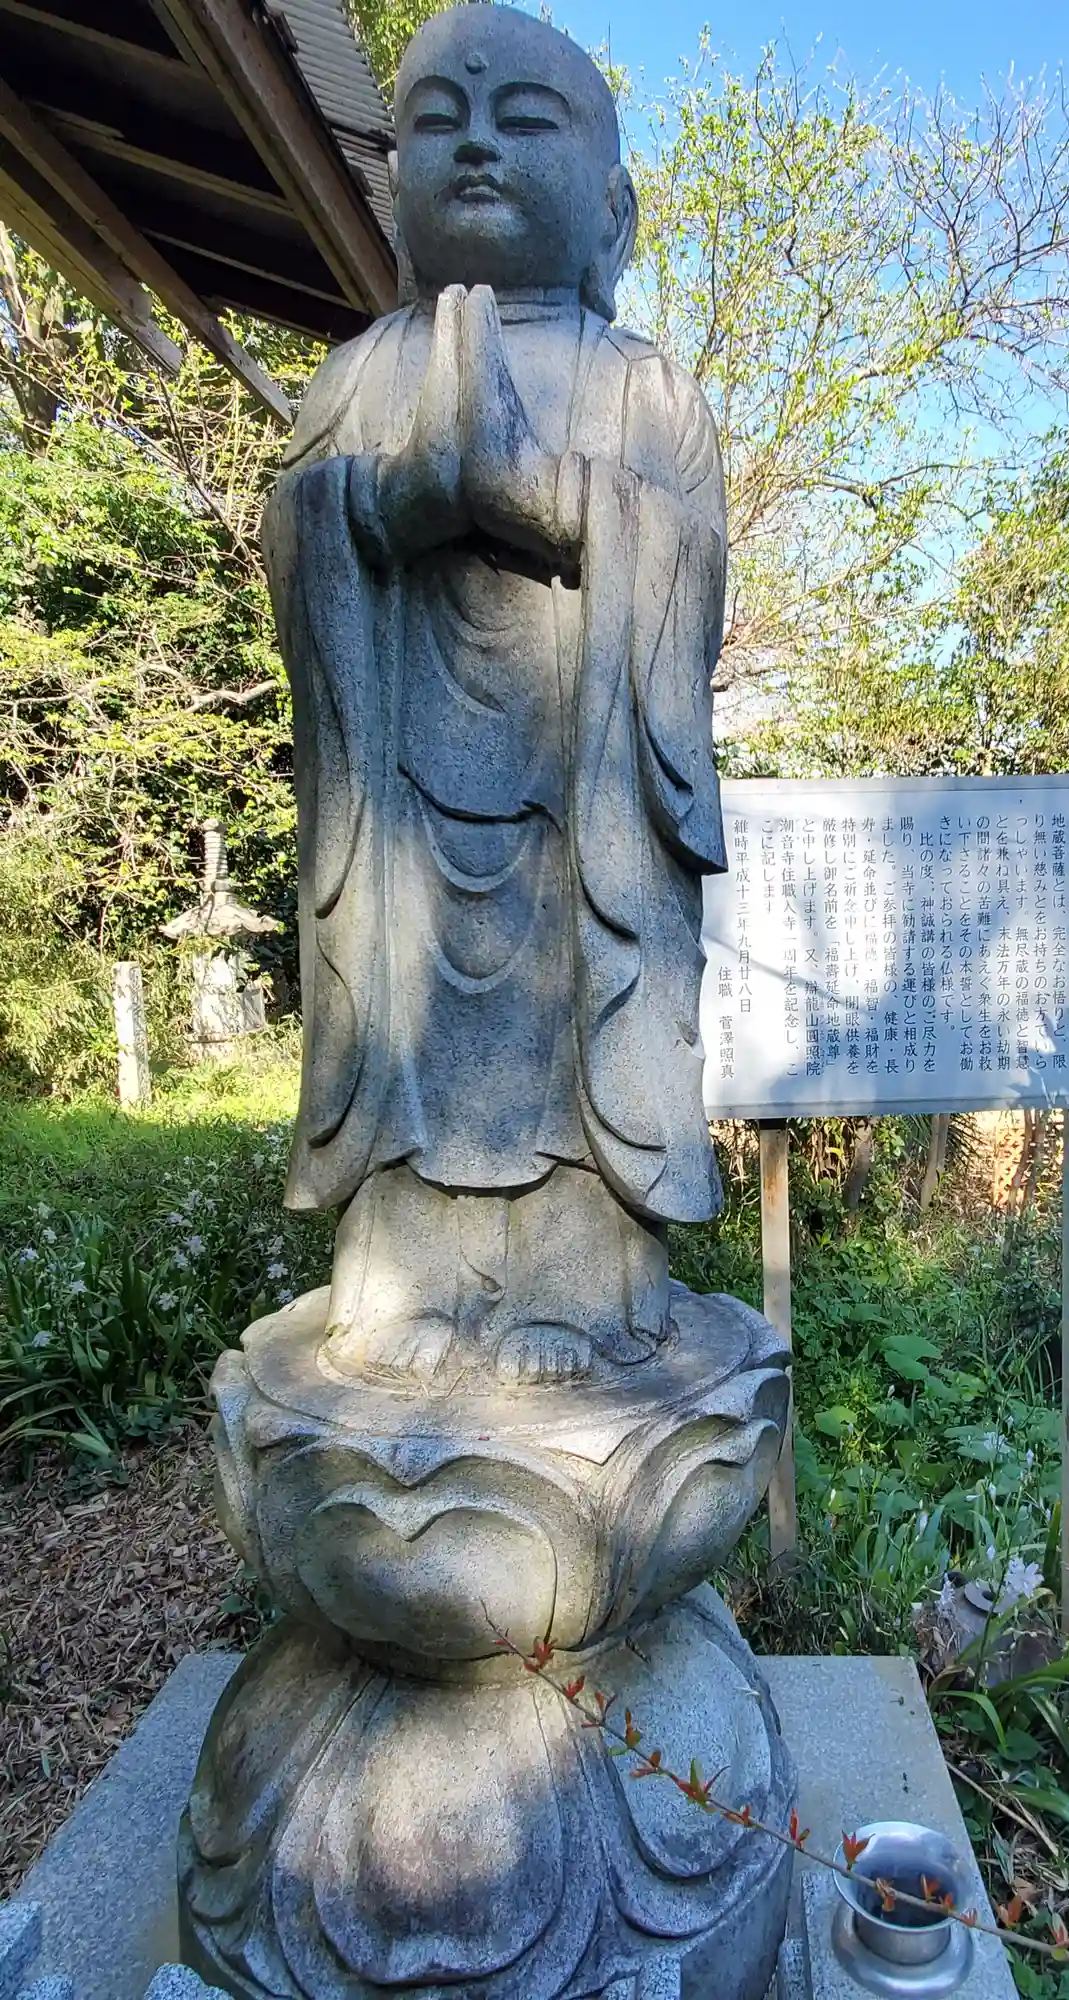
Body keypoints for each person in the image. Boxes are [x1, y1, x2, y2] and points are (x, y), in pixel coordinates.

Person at [264, 5, 727, 1389]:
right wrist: (388, 503)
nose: (474, 145)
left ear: (613, 213)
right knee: (402, 1007)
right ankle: (403, 1280)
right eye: (438, 120)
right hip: (402, 808)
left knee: (584, 1011)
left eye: (523, 122)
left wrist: (546, 496)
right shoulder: (362, 374)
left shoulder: (644, 390)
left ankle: (578, 1291)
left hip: (583, 809)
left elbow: (692, 571)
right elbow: (295, 544)